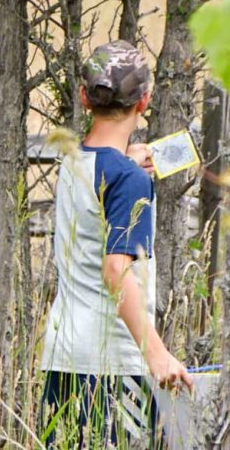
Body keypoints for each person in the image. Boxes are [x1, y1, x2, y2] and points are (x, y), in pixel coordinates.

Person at [40, 40, 194, 448]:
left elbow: (101, 170)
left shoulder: (74, 161)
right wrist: (156, 354)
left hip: (64, 354)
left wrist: (128, 158)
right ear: (144, 101)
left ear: (84, 97)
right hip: (111, 363)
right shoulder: (129, 179)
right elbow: (116, 270)